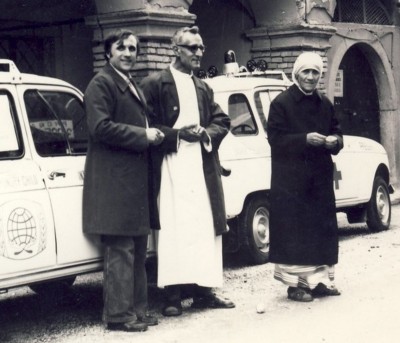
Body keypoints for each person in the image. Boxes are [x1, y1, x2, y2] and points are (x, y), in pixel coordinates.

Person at [141, 25, 235, 316]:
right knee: (174, 229)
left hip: (201, 167)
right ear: (175, 49)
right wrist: (179, 135)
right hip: (171, 166)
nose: (198, 53)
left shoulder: (203, 87)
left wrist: (205, 134)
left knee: (203, 228)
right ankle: (172, 296)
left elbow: (223, 120)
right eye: (192, 47)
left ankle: (205, 292)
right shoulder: (155, 83)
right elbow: (145, 125)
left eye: (201, 47)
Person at [82, 29, 164, 332]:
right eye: (122, 48)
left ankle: (137, 311)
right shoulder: (101, 84)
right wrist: (143, 135)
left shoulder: (128, 84)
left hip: (133, 182)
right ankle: (119, 316)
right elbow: (100, 128)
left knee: (138, 250)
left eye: (133, 48)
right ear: (108, 53)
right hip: (115, 183)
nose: (129, 53)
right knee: (121, 250)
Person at [266, 52, 344, 302]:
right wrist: (304, 139)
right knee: (296, 231)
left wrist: (335, 141)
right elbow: (275, 140)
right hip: (291, 181)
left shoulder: (325, 103)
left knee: (321, 229)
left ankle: (318, 281)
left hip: (319, 179)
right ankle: (296, 286)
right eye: (306, 72)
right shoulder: (281, 103)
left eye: (315, 73)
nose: (310, 77)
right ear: (296, 74)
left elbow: (337, 132)